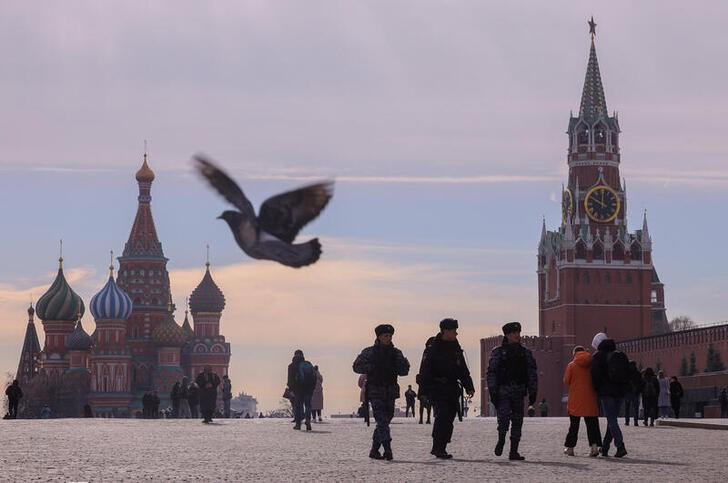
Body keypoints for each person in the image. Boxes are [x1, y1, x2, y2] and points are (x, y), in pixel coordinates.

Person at [418, 318, 475, 459]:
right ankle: (437, 447)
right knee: (441, 416)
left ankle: (441, 445)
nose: (456, 333)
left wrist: (469, 387)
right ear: (445, 331)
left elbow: (463, 370)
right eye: (454, 330)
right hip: (437, 388)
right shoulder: (432, 350)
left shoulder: (456, 349)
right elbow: (424, 371)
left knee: (449, 419)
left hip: (452, 388)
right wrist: (423, 392)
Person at [353, 324, 410, 461]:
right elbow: (356, 366)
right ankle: (388, 449)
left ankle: (374, 450)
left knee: (386, 420)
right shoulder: (369, 352)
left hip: (390, 391)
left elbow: (404, 371)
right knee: (382, 421)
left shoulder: (396, 353)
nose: (388, 338)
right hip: (375, 390)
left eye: (390, 336)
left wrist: (402, 365)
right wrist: (372, 367)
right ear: (379, 336)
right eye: (386, 336)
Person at [486, 321, 537, 461]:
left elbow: (532, 372)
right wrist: (493, 392)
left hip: (519, 390)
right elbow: (491, 373)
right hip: (503, 391)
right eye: (513, 333)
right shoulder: (498, 352)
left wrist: (533, 392)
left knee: (517, 421)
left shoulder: (525, 352)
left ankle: (514, 451)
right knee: (503, 418)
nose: (516, 335)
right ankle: (501, 439)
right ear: (507, 335)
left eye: (518, 332)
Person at [590, 332, 628, 457]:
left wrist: (597, 389)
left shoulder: (598, 356)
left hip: (606, 393)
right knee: (612, 420)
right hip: (620, 392)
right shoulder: (619, 354)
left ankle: (620, 446)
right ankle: (605, 447)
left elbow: (595, 376)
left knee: (611, 420)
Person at [562, 346, 601, 457]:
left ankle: (570, 448)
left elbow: (566, 381)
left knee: (574, 426)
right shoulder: (592, 364)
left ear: (574, 353)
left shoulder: (572, 365)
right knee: (592, 425)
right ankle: (594, 448)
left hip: (576, 400)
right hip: (590, 399)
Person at [287, 349, 316, 430]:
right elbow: (314, 377)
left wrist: (291, 389)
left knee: (298, 406)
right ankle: (308, 420)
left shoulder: (291, 366)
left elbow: (290, 380)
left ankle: (298, 424)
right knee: (308, 405)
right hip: (308, 389)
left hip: (298, 389)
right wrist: (312, 388)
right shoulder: (308, 364)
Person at [623, 360, 643, 426]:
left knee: (627, 408)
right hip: (635, 393)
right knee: (635, 408)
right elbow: (641, 384)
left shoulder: (626, 373)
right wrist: (638, 391)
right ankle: (635, 421)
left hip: (628, 393)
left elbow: (624, 383)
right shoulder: (638, 373)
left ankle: (627, 421)